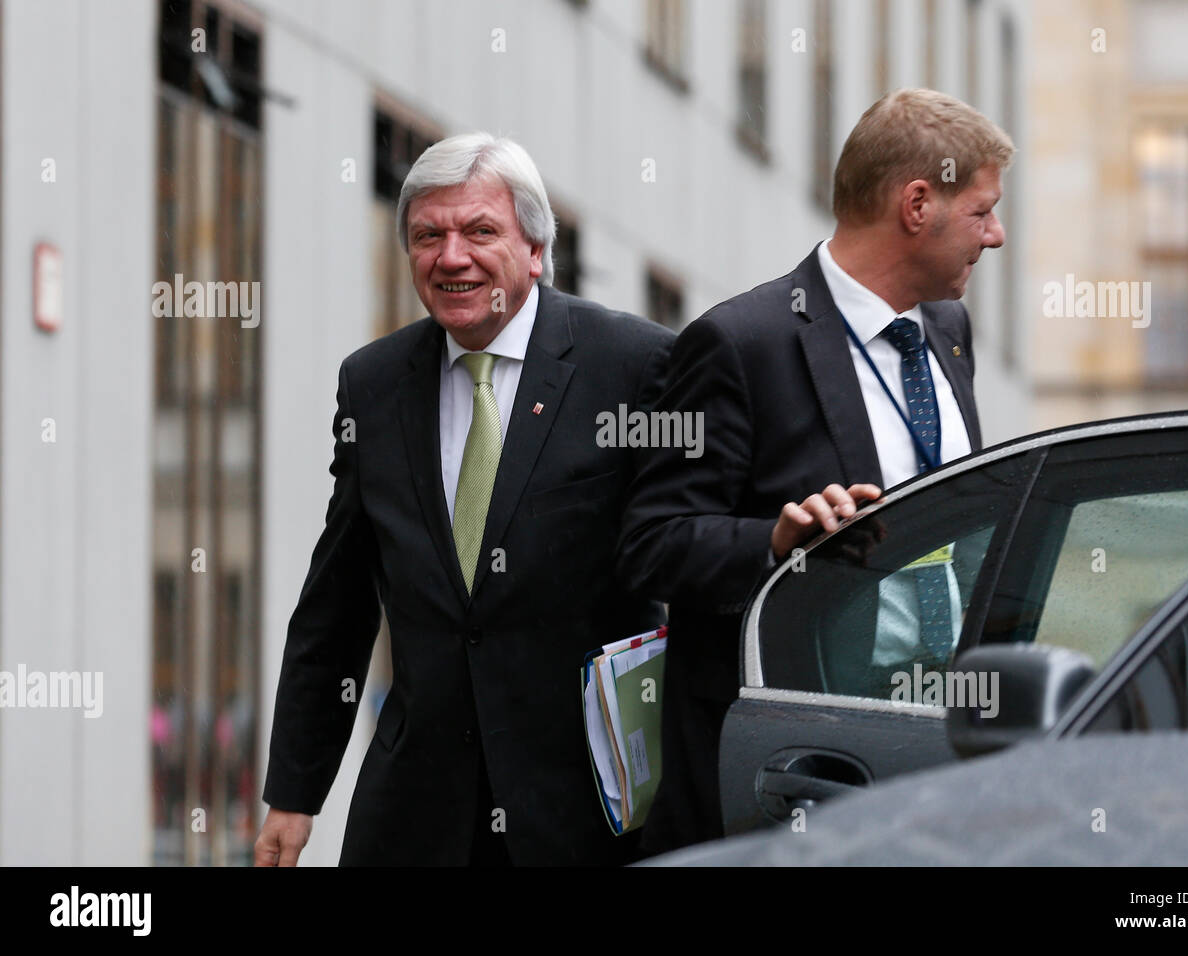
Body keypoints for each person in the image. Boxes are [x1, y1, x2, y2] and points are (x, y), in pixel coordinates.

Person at [255, 133, 674, 866]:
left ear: (536, 251)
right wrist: (295, 792)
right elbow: (337, 604)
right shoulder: (374, 385)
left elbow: (690, 559)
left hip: (585, 816)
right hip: (417, 817)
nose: (452, 256)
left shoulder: (633, 367)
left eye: (481, 231)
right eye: (428, 235)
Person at [618, 88, 1014, 855]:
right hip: (800, 769)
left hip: (940, 745)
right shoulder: (739, 344)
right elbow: (651, 543)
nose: (995, 236)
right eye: (983, 211)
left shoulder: (948, 331)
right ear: (917, 203)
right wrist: (773, 540)